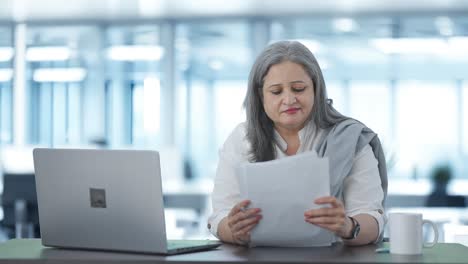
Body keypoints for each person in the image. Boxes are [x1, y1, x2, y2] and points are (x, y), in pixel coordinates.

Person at [207, 40, 387, 246]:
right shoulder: (241, 138)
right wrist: (232, 230)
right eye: (276, 92)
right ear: (260, 95)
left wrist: (348, 226)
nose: (289, 99)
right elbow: (219, 216)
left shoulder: (350, 138)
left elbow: (372, 218)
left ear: (315, 89)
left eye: (299, 89)